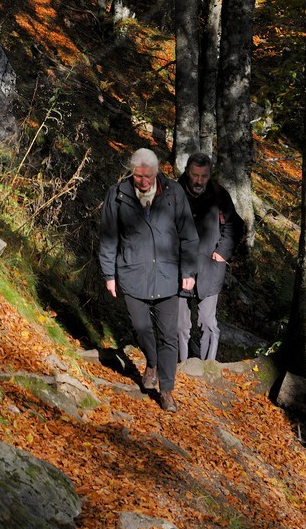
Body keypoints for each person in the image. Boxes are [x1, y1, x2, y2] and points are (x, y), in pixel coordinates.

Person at [99, 148, 199, 413]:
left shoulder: (174, 193)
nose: (143, 182)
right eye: (138, 176)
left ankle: (166, 391)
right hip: (132, 272)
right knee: (141, 327)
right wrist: (109, 274)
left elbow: (189, 235)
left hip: (168, 275)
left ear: (157, 172)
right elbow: (109, 237)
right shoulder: (117, 194)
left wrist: (188, 272)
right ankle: (151, 362)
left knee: (169, 335)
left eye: (148, 176)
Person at [176, 152, 245, 363]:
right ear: (188, 172)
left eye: (204, 176)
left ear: (209, 174)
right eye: (195, 175)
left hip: (210, 267)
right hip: (179, 266)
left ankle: (208, 367)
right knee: (180, 325)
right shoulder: (174, 193)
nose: (199, 181)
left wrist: (222, 252)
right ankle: (182, 366)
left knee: (207, 322)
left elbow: (235, 225)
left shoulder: (219, 194)